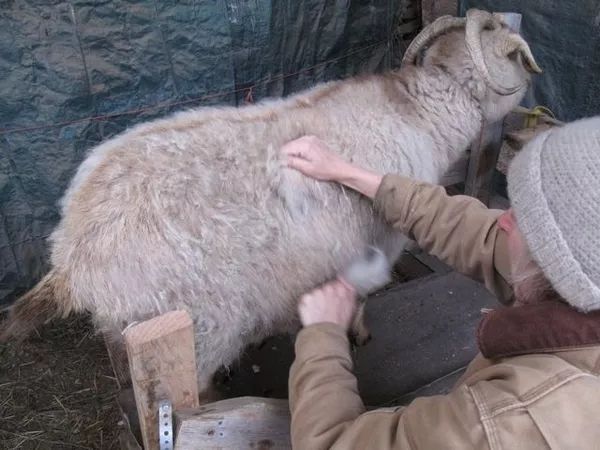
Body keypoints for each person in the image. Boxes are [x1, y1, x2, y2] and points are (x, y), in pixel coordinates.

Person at [280, 116, 600, 449]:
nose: (502, 219)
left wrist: (322, 333)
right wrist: (348, 173)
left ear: (558, 264)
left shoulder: (512, 425)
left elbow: (332, 443)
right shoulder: (582, 279)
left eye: (521, 219)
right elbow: (478, 233)